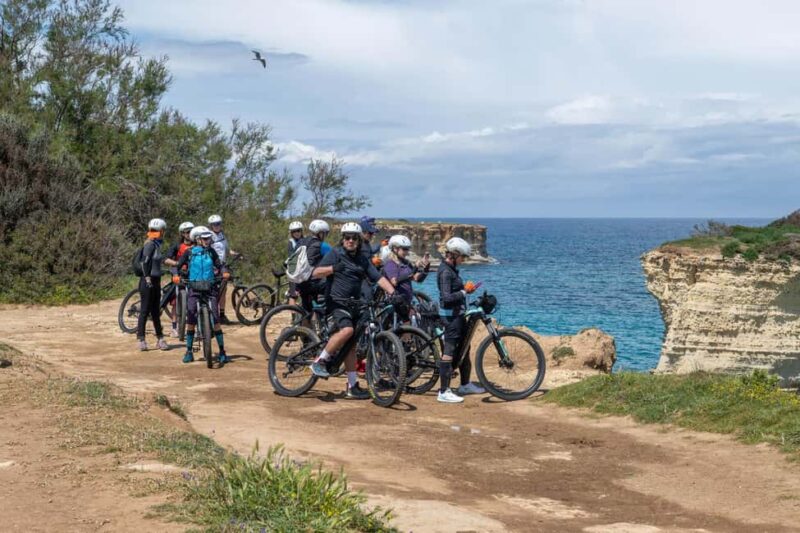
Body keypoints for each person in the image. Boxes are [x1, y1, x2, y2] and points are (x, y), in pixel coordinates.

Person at [309, 222, 397, 399]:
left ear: (358, 240)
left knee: (351, 345)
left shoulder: (362, 259)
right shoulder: (336, 253)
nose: (350, 241)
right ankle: (319, 361)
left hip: (355, 304)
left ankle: (352, 386)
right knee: (347, 330)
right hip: (336, 302)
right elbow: (315, 272)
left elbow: (377, 277)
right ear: (343, 239)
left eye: (353, 238)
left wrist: (394, 293)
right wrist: (333, 268)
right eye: (347, 237)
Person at [436, 237, 485, 403]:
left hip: (458, 314)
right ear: (454, 254)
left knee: (465, 348)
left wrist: (466, 291)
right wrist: (464, 291)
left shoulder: (452, 269)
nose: (463, 260)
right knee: (449, 350)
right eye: (462, 257)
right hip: (450, 316)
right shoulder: (445, 272)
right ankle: (443, 391)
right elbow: (446, 298)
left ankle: (465, 384)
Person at [176, 226, 230, 364]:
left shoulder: (211, 252)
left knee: (216, 320)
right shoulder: (189, 252)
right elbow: (178, 265)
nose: (207, 240)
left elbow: (219, 264)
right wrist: (177, 275)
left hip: (210, 287)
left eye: (208, 238)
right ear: (198, 239)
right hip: (194, 288)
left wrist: (224, 272)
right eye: (204, 238)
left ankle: (222, 351)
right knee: (191, 317)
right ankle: (188, 351)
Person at [137, 218, 169, 352]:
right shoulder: (150, 244)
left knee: (156, 311)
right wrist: (147, 278)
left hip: (156, 281)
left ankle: (160, 339)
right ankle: (142, 339)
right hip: (148, 281)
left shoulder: (157, 244)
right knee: (144, 310)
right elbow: (144, 262)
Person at [383, 235, 431, 320]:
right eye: (404, 249)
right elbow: (394, 281)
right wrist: (415, 267)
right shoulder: (390, 264)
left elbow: (417, 279)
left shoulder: (406, 263)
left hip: (406, 302)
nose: (407, 251)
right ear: (395, 249)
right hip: (395, 303)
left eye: (407, 249)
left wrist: (425, 269)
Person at [207, 214, 239, 325]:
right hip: (212, 266)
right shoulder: (209, 236)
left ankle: (222, 314)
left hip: (222, 265)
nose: (217, 226)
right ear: (211, 225)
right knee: (213, 290)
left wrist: (234, 253)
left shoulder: (222, 235)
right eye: (215, 224)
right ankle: (211, 314)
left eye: (219, 224)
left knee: (223, 289)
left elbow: (227, 249)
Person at [164, 221, 194, 336]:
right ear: (182, 233)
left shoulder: (197, 244)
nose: (189, 234)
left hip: (192, 275)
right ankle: (174, 327)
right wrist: (177, 263)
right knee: (175, 302)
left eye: (191, 231)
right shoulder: (177, 245)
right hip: (178, 274)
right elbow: (166, 259)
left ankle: (192, 327)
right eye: (186, 232)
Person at [296, 219, 330, 317]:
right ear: (320, 233)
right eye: (325, 233)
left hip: (299, 281)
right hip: (312, 283)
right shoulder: (323, 246)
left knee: (307, 311)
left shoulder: (302, 241)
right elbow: (336, 259)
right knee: (333, 289)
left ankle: (304, 331)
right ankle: (325, 315)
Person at [286, 221, 303, 306]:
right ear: (291, 233)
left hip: (303, 270)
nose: (297, 233)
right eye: (294, 231)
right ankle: (293, 318)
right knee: (293, 295)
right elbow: (291, 257)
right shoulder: (291, 242)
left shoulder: (305, 240)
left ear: (301, 231)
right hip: (294, 271)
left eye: (298, 230)